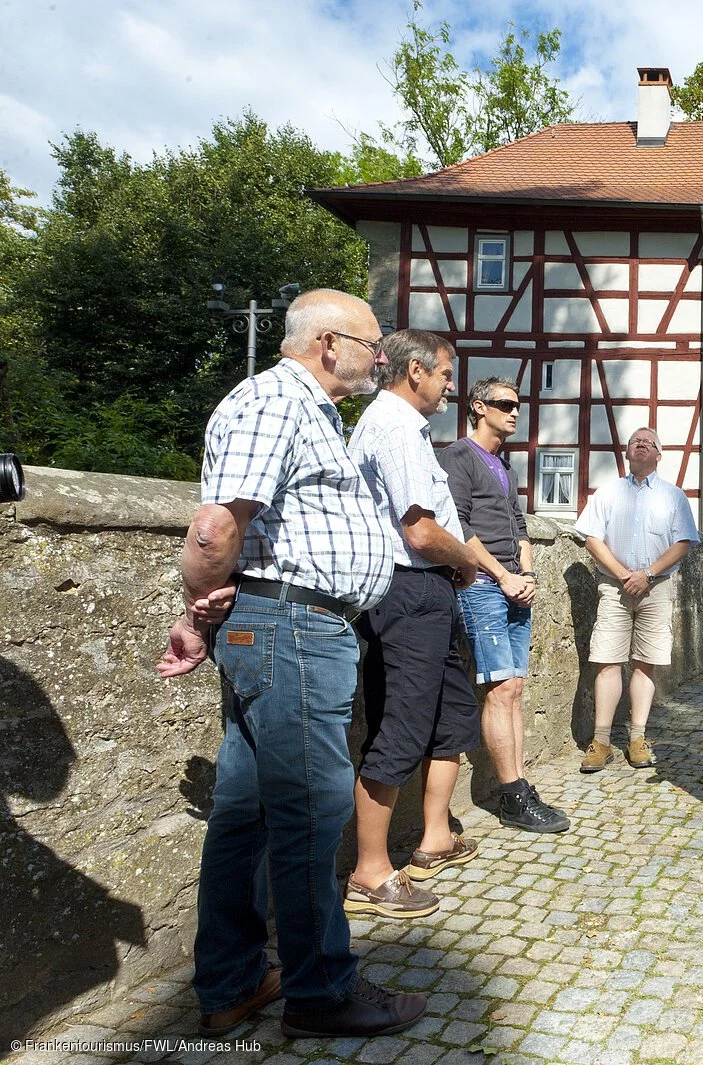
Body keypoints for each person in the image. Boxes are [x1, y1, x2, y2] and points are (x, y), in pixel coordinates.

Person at [156, 288, 427, 1038]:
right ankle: (320, 991)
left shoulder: (304, 409)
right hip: (293, 628)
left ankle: (235, 981)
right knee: (312, 810)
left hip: (286, 626)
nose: (382, 358)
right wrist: (192, 611)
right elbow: (215, 526)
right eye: (374, 344)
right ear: (328, 343)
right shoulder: (276, 401)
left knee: (245, 813)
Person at [345, 329, 493, 921]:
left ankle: (434, 837)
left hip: (426, 592)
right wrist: (466, 562)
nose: (450, 385)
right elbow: (420, 532)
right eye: (446, 374)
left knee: (451, 712)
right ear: (415, 370)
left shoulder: (404, 424)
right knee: (402, 726)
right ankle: (370, 871)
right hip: (407, 591)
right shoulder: (397, 424)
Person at [438, 377, 570, 833]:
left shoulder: (503, 466)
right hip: (481, 586)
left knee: (513, 689)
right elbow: (458, 526)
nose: (514, 412)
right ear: (479, 407)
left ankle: (519, 787)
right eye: (504, 404)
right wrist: (503, 575)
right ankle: (512, 794)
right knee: (499, 688)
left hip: (515, 585)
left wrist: (528, 574)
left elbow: (520, 526)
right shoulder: (459, 457)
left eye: (517, 405)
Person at [572, 427, 700, 772]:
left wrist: (648, 574)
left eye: (649, 442)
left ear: (659, 455)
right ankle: (601, 741)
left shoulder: (674, 496)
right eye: (635, 442)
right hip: (614, 587)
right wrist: (624, 574)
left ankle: (637, 738)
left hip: (656, 588)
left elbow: (684, 542)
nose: (641, 445)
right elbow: (591, 537)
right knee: (606, 660)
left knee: (646, 662)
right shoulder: (609, 492)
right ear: (627, 453)